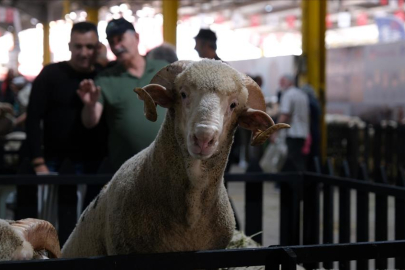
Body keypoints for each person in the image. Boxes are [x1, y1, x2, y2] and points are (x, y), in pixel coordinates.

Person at [25, 22, 108, 244]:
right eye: (78, 46)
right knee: (45, 223)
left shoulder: (104, 76)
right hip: (52, 162)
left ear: (97, 47)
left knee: (87, 224)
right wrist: (38, 162)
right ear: (70, 46)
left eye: (89, 47)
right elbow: (33, 119)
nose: (83, 53)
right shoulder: (51, 74)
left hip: (91, 163)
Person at [78, 18, 168, 171]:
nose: (116, 46)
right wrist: (90, 105)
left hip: (167, 165)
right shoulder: (105, 79)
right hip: (128, 172)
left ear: (136, 38)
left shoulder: (164, 70)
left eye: (120, 39)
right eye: (112, 42)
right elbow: (90, 121)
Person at [273, 74, 309, 172]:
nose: (280, 84)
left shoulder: (288, 94)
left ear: (290, 81)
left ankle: (295, 185)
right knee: (297, 160)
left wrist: (275, 131)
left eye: (283, 81)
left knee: (291, 162)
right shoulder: (302, 94)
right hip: (302, 133)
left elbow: (285, 115)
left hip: (292, 133)